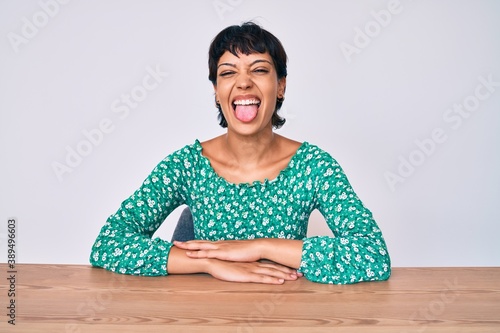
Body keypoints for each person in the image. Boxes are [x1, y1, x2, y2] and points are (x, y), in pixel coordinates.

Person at [90, 22, 391, 285]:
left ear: (281, 86)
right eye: (228, 72)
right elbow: (109, 244)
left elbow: (372, 255)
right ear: (217, 90)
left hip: (285, 314)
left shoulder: (314, 167)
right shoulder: (187, 165)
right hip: (205, 315)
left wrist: (259, 247)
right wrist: (210, 264)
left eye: (259, 70)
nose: (243, 82)